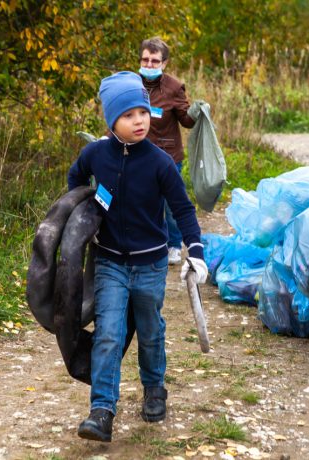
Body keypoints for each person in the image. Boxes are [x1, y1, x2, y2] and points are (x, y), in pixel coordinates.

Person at [68, 71, 208, 442]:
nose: (139, 121)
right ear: (111, 120)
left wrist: (195, 251)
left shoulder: (160, 163)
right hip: (110, 261)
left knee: (149, 330)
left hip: (149, 263)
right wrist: (87, 219)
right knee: (109, 334)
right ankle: (101, 410)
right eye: (128, 115)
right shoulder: (96, 154)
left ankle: (154, 388)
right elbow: (75, 181)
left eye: (143, 113)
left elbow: (183, 209)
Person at [138, 37, 196, 265]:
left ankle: (173, 245)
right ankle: (151, 242)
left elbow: (186, 121)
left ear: (164, 63)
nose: (149, 65)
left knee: (170, 204)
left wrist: (196, 113)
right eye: (145, 60)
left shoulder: (174, 87)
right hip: (139, 153)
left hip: (168, 156)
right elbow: (121, 113)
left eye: (154, 61)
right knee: (145, 200)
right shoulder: (133, 84)